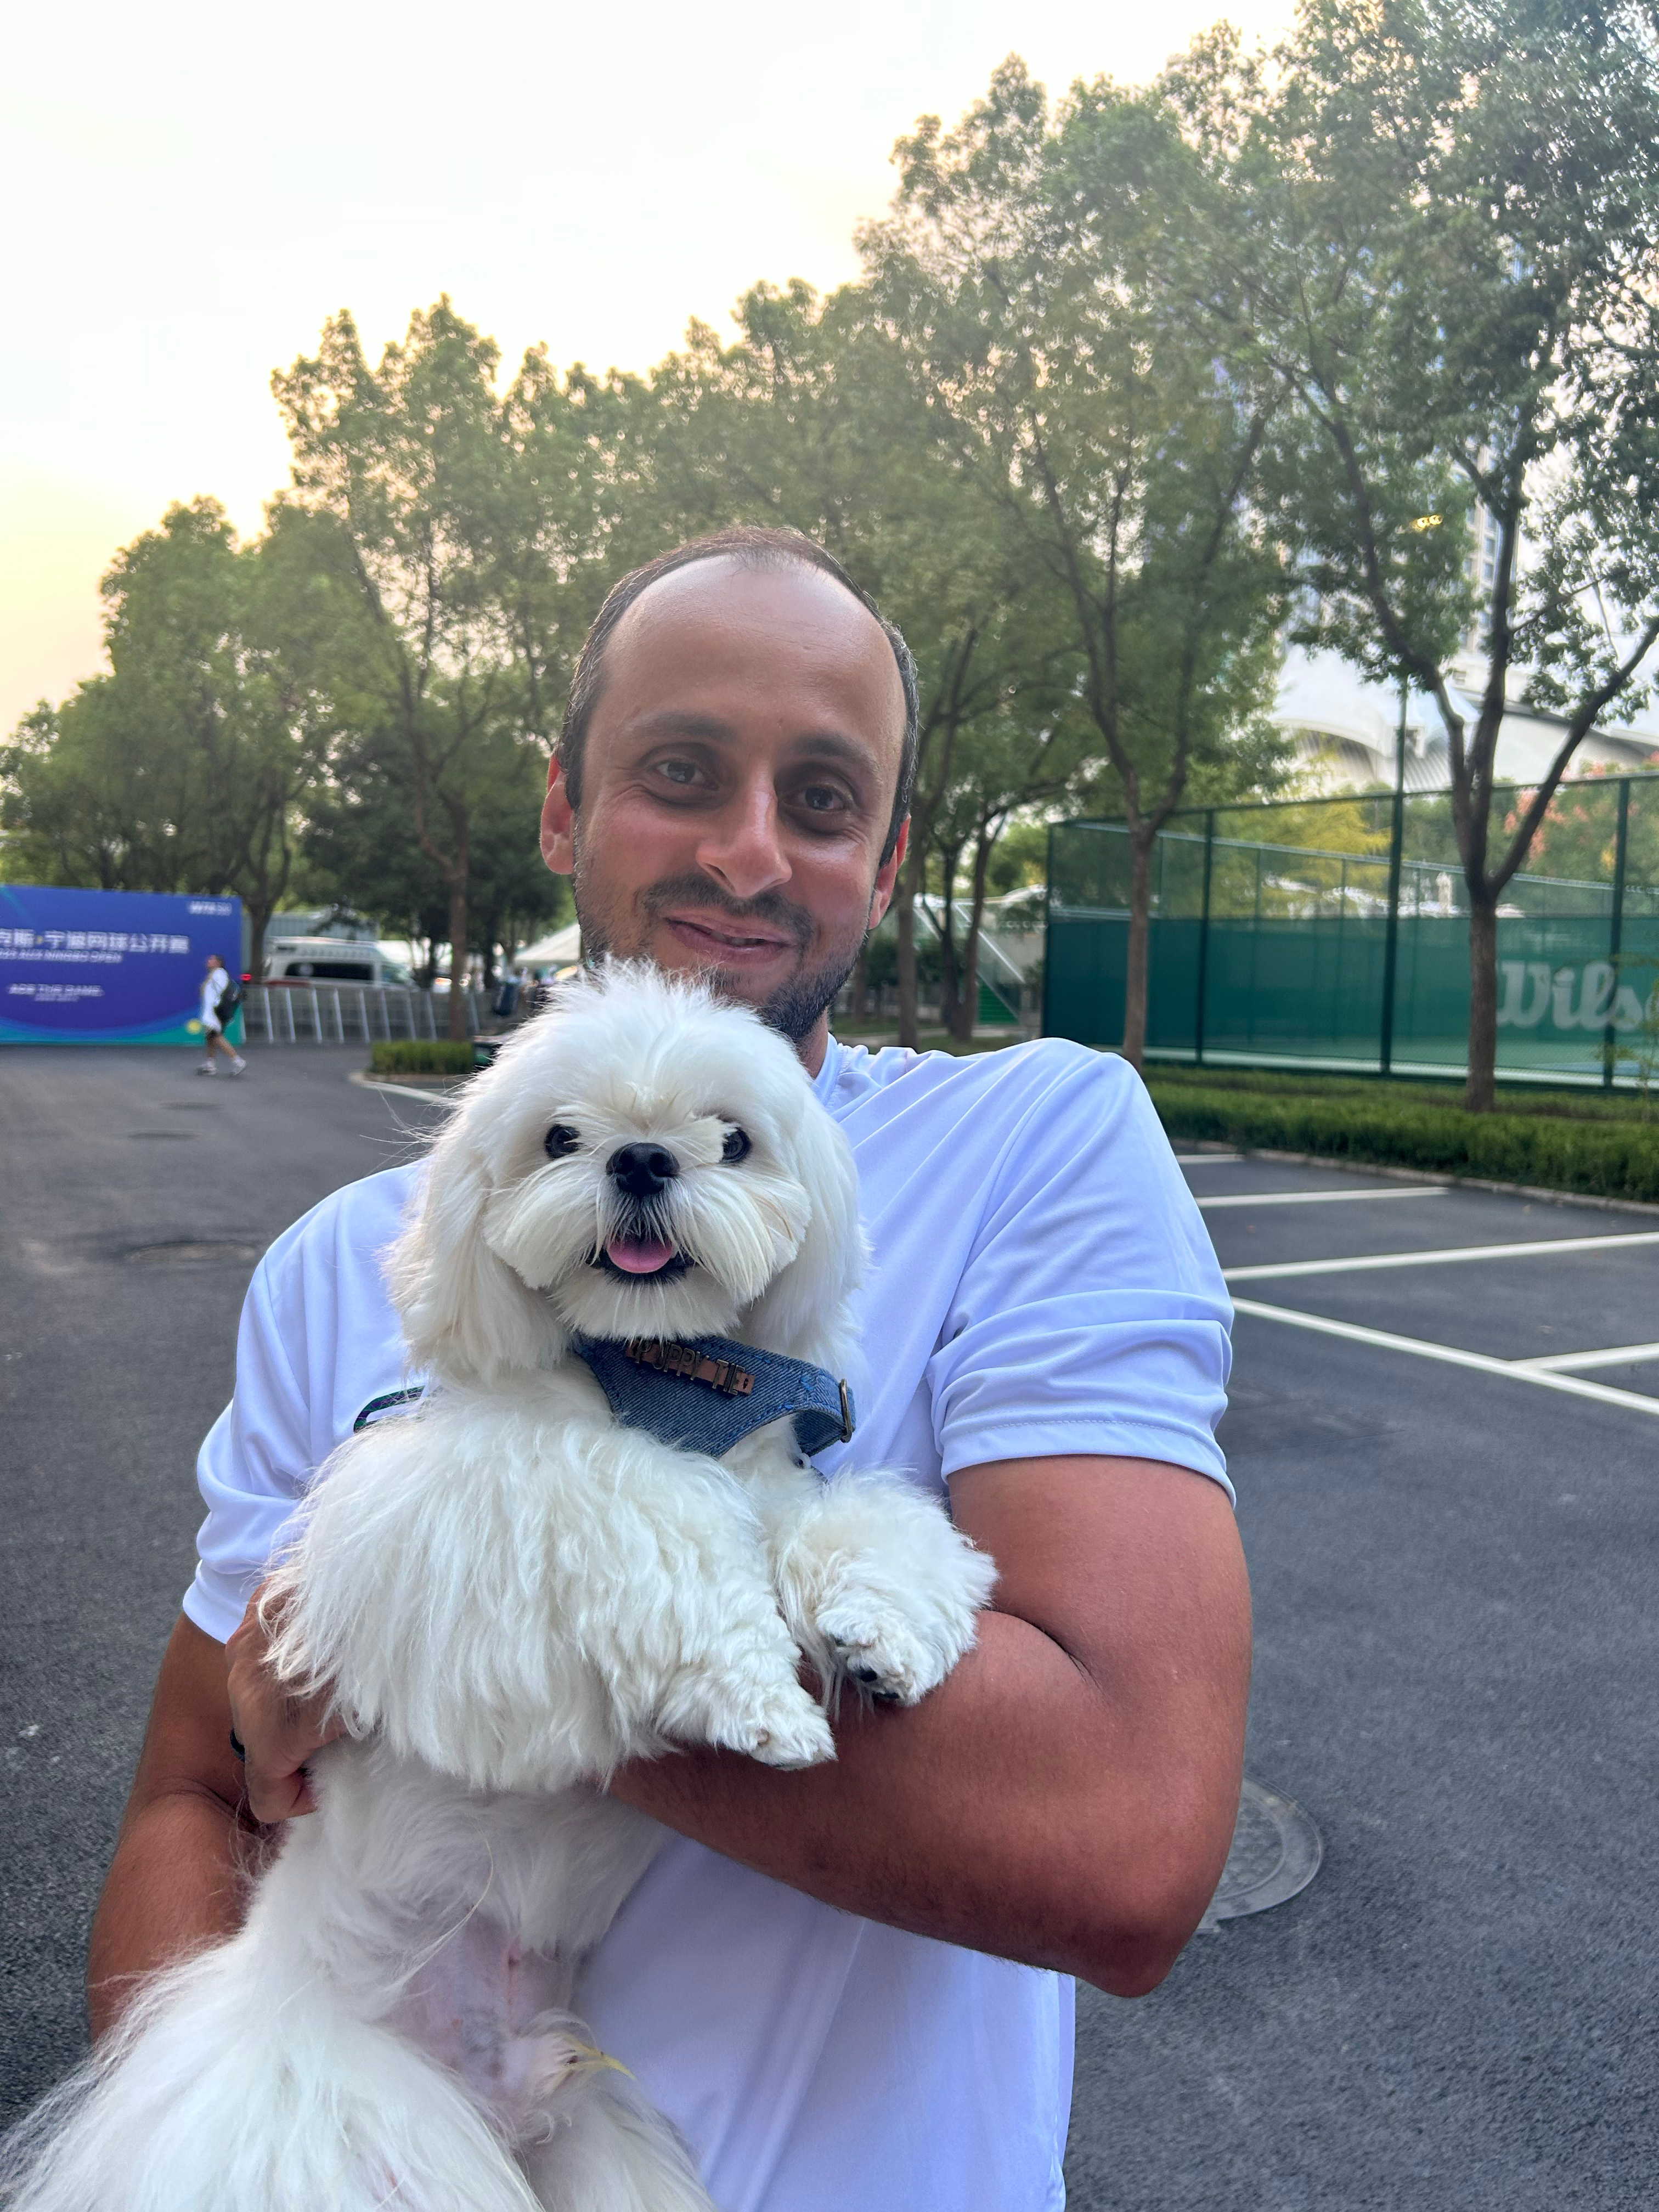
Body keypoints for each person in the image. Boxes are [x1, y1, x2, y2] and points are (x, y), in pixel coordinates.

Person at [89, 529, 1250, 2212]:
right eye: (682, 771)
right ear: (564, 807)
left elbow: (1125, 1842)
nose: (749, 850)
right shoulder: (340, 1265)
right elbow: (198, 1796)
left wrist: (435, 1624)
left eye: (824, 798)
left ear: (890, 860)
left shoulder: (1042, 1145)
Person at [196, 953, 245, 1076]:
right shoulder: (214, 974)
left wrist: (216, 1006)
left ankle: (238, 1061)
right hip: (211, 1013)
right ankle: (210, 1065)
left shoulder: (220, 973)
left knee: (216, 1036)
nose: (208, 961)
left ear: (218, 963)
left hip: (215, 1012)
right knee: (210, 1037)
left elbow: (220, 992)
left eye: (211, 960)